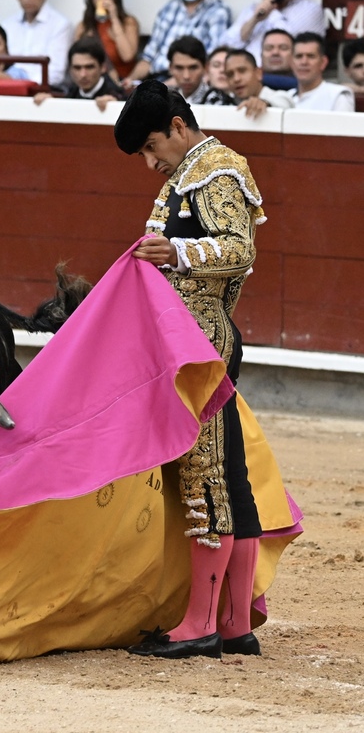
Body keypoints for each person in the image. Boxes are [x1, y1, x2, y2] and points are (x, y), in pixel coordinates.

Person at [114, 80, 266, 659]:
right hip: (190, 343)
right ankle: (233, 622)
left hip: (202, 347)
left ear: (178, 126)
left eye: (152, 147)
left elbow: (239, 249)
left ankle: (200, 624)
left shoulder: (216, 168)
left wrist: (177, 253)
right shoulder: (187, 174)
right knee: (228, 472)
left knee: (207, 474)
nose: (150, 163)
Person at [127, 0, 230, 84]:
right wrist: (129, 82)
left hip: (188, 81)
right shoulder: (168, 8)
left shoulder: (218, 11)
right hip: (155, 78)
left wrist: (164, 87)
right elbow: (148, 57)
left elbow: (211, 62)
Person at [221, 0, 325, 65]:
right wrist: (255, 19)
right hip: (247, 71)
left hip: (281, 73)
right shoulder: (253, 9)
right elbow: (228, 44)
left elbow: (286, 41)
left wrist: (271, 7)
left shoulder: (310, 9)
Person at [2, 0, 74, 86]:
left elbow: (56, 71)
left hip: (42, 90)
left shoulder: (60, 25)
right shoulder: (7, 25)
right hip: (8, 87)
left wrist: (27, 85)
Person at [74, 0, 139, 82]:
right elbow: (76, 60)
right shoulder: (83, 26)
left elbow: (127, 56)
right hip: (94, 83)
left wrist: (114, 18)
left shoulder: (128, 22)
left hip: (122, 83)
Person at [33, 39, 125, 110]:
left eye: (89, 67)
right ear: (70, 69)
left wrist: (116, 106)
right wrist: (49, 104)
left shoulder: (116, 94)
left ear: (103, 67)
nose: (83, 75)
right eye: (77, 68)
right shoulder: (71, 92)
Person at [288, 33, 355, 112]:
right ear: (291, 62)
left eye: (311, 56)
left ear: (323, 62)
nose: (304, 62)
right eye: (299, 56)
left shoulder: (338, 96)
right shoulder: (286, 97)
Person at [224, 48, 294, 118]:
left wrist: (264, 104)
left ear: (258, 73)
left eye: (242, 71)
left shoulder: (281, 97)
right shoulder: (225, 105)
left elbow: (283, 106)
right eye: (230, 74)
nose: (236, 79)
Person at [167, 36, 233, 105]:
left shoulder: (219, 102)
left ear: (205, 68)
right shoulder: (165, 99)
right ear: (170, 68)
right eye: (179, 68)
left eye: (193, 68)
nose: (186, 76)